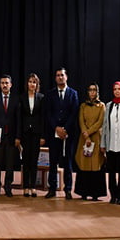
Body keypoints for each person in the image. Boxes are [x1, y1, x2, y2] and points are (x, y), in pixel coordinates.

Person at [44, 68, 79, 199]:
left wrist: (65, 129)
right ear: (55, 78)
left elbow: (74, 113)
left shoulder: (73, 93)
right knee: (53, 162)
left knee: (68, 162)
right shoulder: (50, 94)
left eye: (62, 75)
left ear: (66, 77)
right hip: (54, 133)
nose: (60, 77)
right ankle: (52, 188)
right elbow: (48, 113)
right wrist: (56, 128)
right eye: (57, 75)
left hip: (68, 133)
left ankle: (68, 189)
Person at [74, 83, 106, 201]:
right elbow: (81, 120)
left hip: (96, 138)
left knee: (96, 165)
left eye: (94, 90)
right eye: (90, 90)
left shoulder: (101, 105)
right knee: (84, 163)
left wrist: (89, 132)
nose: (92, 92)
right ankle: (83, 192)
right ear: (87, 92)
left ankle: (95, 193)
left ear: (97, 92)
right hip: (84, 138)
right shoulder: (83, 106)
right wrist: (85, 134)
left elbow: (100, 121)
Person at [0, 74, 19, 197]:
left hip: (11, 138)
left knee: (10, 165)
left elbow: (18, 120)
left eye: (7, 83)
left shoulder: (16, 99)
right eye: (2, 83)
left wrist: (18, 137)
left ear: (11, 85)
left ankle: (8, 187)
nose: (4, 85)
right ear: (0, 85)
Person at [16, 73, 45, 198]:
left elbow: (43, 118)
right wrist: (18, 136)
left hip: (37, 134)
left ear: (37, 84)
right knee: (26, 161)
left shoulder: (42, 97)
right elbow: (18, 118)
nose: (32, 84)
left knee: (34, 161)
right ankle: (26, 187)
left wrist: (43, 136)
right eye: (30, 82)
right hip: (25, 133)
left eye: (34, 82)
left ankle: (33, 187)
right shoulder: (21, 98)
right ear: (27, 84)